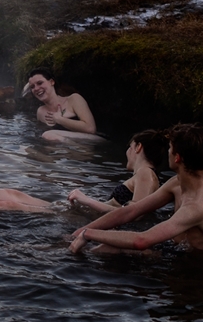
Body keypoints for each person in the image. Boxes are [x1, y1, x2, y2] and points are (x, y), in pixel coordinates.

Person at [69, 123, 203, 254]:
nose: (167, 152)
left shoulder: (196, 206)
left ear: (177, 158)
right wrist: (82, 230)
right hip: (174, 248)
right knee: (107, 243)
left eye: (170, 148)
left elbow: (141, 241)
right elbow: (131, 211)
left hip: (191, 263)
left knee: (109, 247)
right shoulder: (176, 183)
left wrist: (89, 234)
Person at [68, 130, 167, 213]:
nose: (127, 152)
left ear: (138, 147)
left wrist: (87, 200)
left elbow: (135, 214)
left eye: (130, 147)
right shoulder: (146, 174)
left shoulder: (145, 173)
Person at [28, 67, 104, 143]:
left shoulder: (74, 99)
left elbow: (90, 129)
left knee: (49, 135)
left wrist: (60, 120)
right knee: (28, 149)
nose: (36, 88)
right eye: (32, 87)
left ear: (52, 82)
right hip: (64, 149)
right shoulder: (40, 111)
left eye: (40, 83)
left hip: (92, 142)